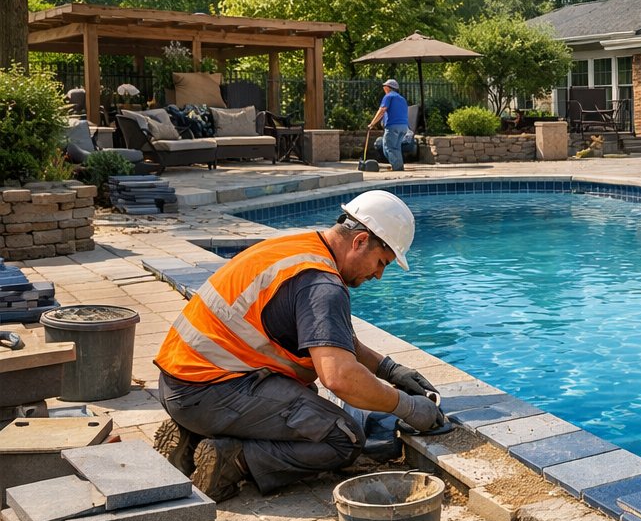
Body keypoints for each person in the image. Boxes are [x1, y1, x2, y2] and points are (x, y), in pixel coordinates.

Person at [151, 189, 445, 501]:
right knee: (341, 437)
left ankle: (192, 439)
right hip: (207, 394)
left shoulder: (299, 248)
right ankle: (233, 459)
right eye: (381, 261)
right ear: (359, 242)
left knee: (308, 402)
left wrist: (390, 369)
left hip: (179, 385)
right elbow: (340, 378)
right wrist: (408, 407)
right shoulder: (322, 284)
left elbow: (335, 340)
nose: (379, 275)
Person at [368, 78, 411, 172]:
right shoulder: (402, 99)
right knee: (396, 148)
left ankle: (397, 168)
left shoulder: (388, 96)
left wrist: (372, 123)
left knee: (388, 147)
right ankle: (398, 167)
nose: (383, 88)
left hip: (393, 126)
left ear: (388, 87)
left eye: (384, 86)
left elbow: (382, 110)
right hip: (404, 127)